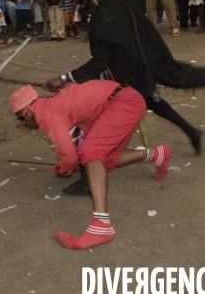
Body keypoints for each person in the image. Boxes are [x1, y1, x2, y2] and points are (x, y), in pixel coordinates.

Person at [43, 0, 205, 196]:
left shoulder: (105, 15)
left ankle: (87, 179)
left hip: (127, 75)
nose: (81, 8)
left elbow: (99, 62)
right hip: (139, 68)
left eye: (82, 2)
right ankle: (192, 133)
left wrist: (64, 78)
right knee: (154, 101)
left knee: (99, 122)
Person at [10, 81, 171, 249]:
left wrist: (66, 169)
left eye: (22, 118)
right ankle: (157, 155)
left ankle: (101, 227)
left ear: (29, 109)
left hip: (122, 104)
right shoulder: (49, 102)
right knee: (104, 161)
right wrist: (66, 164)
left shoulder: (46, 114)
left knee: (91, 153)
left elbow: (70, 156)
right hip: (123, 102)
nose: (23, 123)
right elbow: (69, 143)